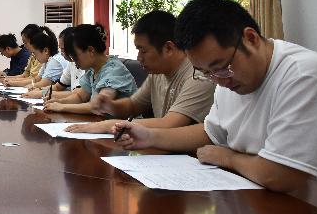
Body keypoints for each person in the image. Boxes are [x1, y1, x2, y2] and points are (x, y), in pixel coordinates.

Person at [113, 0, 317, 214]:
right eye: (207, 73)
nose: (220, 80)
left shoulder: (304, 75)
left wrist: (228, 157)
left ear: (250, 38)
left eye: (221, 66)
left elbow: (281, 175)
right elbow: (209, 133)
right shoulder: (229, 80)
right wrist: (149, 137)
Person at [66, 11, 214, 134]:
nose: (139, 58)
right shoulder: (157, 73)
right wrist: (110, 105)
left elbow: (170, 124)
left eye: (143, 51)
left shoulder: (198, 76)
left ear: (168, 48)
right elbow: (133, 105)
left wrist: (107, 125)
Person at [43, 23, 137, 113]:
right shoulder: (92, 70)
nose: (73, 60)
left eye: (75, 55)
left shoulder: (114, 71)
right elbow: (80, 97)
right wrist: (59, 102)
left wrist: (62, 107)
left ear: (90, 50)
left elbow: (99, 105)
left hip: (126, 123)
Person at [23, 27, 83, 99]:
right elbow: (57, 86)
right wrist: (40, 89)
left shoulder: (56, 60)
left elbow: (78, 94)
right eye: (60, 49)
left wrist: (41, 93)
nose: (62, 53)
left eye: (63, 49)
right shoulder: (71, 63)